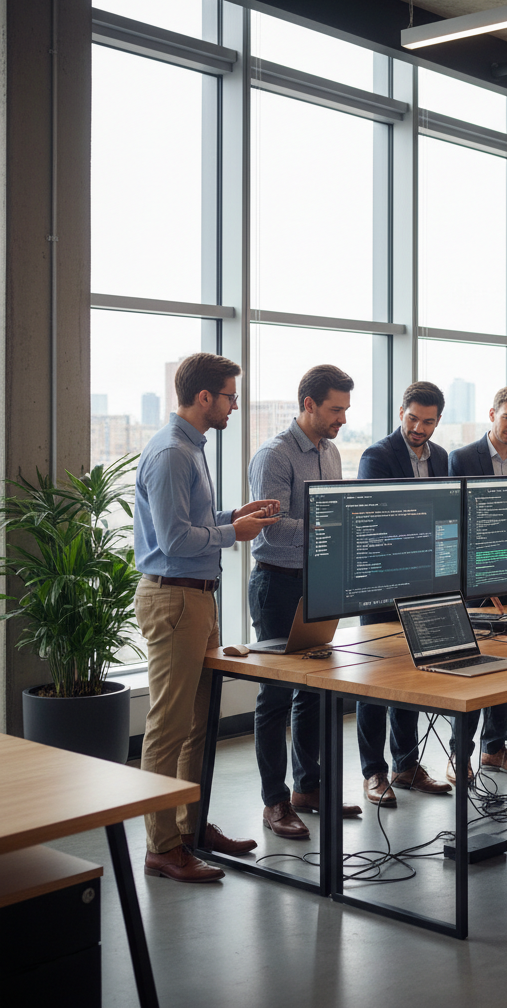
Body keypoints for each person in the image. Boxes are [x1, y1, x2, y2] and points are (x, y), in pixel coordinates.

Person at [135, 353, 279, 883]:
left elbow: (189, 524)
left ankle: (188, 828)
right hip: (174, 599)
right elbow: (173, 541)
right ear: (204, 398)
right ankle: (161, 847)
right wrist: (232, 535)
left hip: (196, 596)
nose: (234, 405)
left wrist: (232, 517)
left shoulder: (191, 448)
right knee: (169, 727)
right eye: (230, 396)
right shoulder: (173, 452)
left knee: (199, 722)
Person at [248, 365, 363, 839]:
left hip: (317, 583)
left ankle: (307, 788)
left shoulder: (331, 452)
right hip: (277, 584)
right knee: (275, 696)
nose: (342, 419)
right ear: (309, 404)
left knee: (314, 689)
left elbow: (330, 510)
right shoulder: (275, 455)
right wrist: (327, 524)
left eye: (346, 410)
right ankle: (274, 802)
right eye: (335, 409)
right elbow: (268, 523)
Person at [355, 381, 452, 805]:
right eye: (413, 418)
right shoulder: (376, 456)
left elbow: (444, 515)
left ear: (437, 421)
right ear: (400, 413)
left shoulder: (442, 457)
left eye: (428, 421)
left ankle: (407, 764)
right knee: (376, 681)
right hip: (383, 583)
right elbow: (378, 518)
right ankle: (373, 772)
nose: (419, 427)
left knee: (413, 676)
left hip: (424, 582)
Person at [446, 386, 507, 783]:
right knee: (472, 666)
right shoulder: (462, 458)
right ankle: (458, 755)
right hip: (476, 576)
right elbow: (457, 518)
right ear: (492, 414)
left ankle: (495, 748)